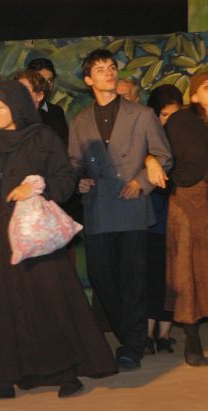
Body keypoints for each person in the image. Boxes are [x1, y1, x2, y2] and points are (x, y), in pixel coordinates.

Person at [0, 80, 117, 401]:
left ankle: (66, 373)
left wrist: (36, 188)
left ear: (16, 108)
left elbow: (65, 181)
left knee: (49, 304)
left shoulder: (42, 138)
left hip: (37, 237)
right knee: (3, 309)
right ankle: (5, 379)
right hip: (0, 238)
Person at [68, 49, 172, 371]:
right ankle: (130, 335)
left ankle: (132, 346)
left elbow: (163, 155)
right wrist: (78, 180)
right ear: (89, 80)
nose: (109, 72)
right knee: (101, 277)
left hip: (131, 206)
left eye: (112, 67)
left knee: (133, 280)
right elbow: (74, 162)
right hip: (98, 208)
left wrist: (142, 180)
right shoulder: (80, 121)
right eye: (100, 69)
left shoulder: (142, 114)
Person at [164, 72, 208, 366]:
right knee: (187, 269)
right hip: (189, 199)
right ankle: (192, 341)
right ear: (193, 95)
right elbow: (168, 157)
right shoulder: (181, 121)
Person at [142, 84, 184, 355]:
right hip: (153, 216)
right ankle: (148, 332)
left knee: (174, 276)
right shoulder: (145, 138)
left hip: (178, 215)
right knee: (152, 273)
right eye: (165, 114)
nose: (170, 120)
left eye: (175, 114)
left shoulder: (186, 136)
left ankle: (165, 333)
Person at [27, 57, 69, 141]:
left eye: (49, 81)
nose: (46, 85)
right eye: (41, 80)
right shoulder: (19, 110)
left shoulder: (57, 112)